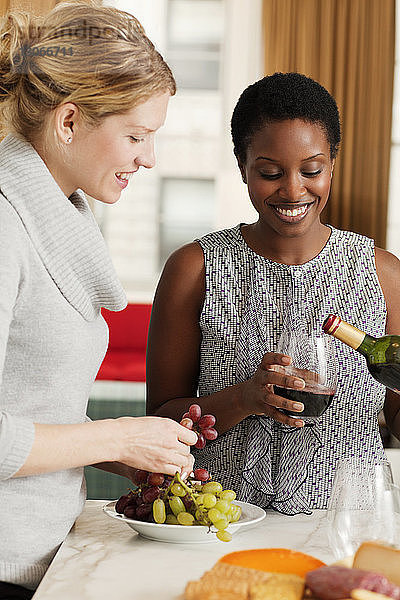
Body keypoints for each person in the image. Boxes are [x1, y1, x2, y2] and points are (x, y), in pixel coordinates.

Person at [0, 2, 197, 598]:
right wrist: (117, 437)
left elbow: (29, 403)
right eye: (135, 135)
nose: (149, 158)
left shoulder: (57, 211)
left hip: (40, 554)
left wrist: (121, 457)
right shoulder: (5, 223)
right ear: (69, 122)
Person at [147, 72, 400, 516]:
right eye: (270, 172)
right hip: (218, 521)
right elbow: (159, 425)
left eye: (312, 170)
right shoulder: (195, 268)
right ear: (242, 163)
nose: (293, 190)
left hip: (349, 525)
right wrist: (244, 398)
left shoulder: (383, 274)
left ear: (333, 163)